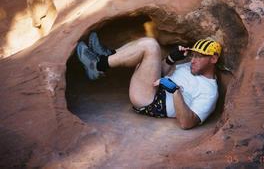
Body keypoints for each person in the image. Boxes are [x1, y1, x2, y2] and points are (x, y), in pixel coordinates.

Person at [76, 32, 222, 129]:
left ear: (213, 59)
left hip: (151, 101)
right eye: (193, 55)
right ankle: (107, 56)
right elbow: (161, 72)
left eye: (199, 56)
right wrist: (172, 58)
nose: (193, 60)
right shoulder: (189, 67)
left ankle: (97, 65)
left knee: (150, 46)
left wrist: (175, 91)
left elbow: (187, 122)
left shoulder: (209, 91)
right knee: (148, 42)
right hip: (152, 87)